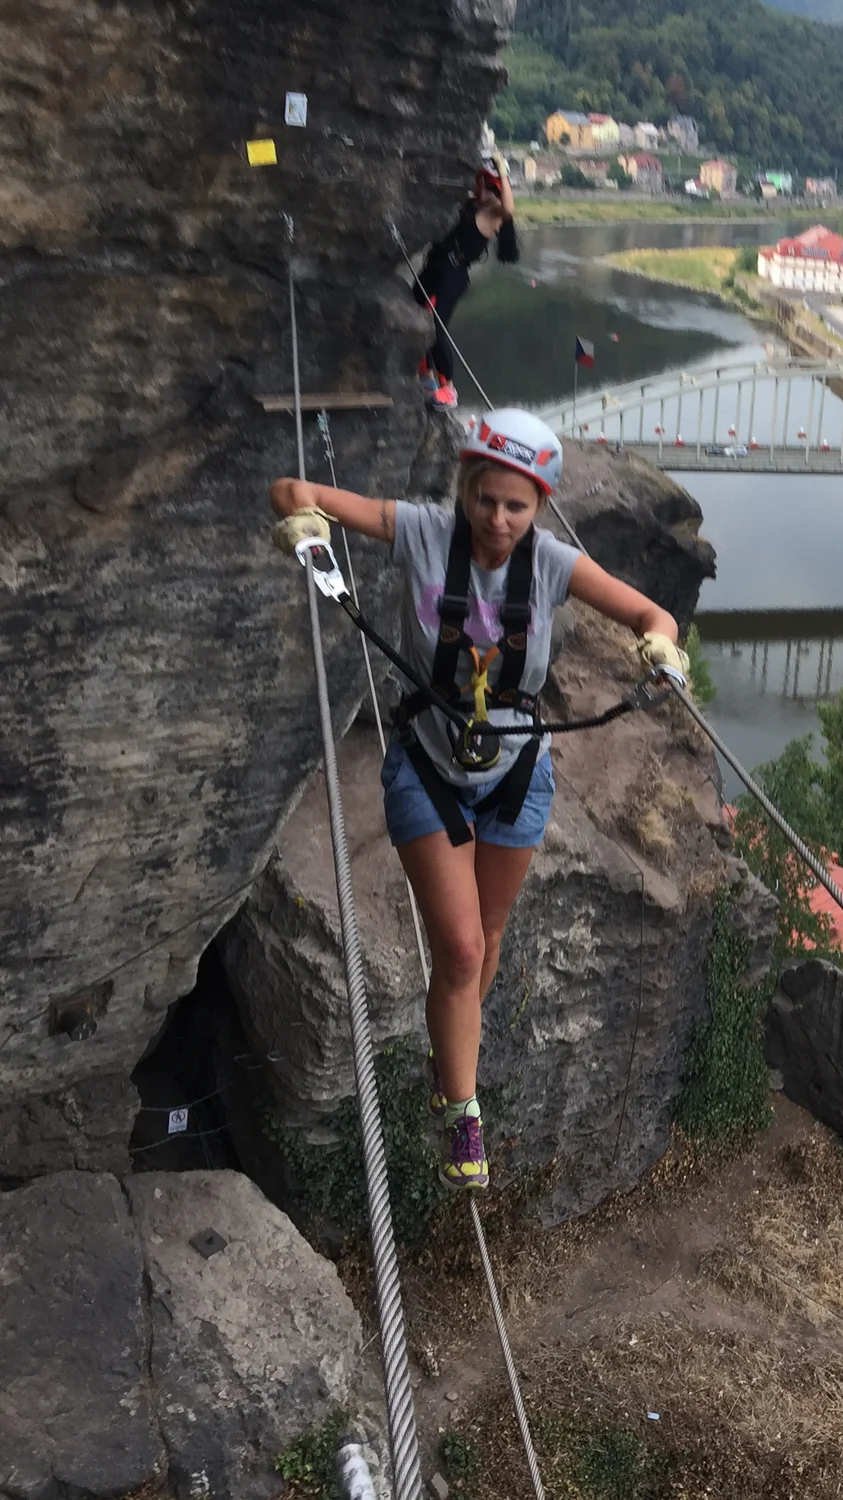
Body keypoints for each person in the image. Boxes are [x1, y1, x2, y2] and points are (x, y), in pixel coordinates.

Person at [269, 409, 690, 1189]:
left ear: (539, 506)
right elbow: (296, 490)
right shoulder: (423, 531)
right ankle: (459, 1108)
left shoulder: (555, 565)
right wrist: (303, 525)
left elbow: (647, 612)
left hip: (518, 769)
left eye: (516, 506)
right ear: (466, 491)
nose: (498, 520)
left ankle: (450, 1037)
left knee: (486, 939)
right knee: (462, 949)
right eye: (486, 500)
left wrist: (662, 644)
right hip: (429, 761)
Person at [413, 160, 518, 409]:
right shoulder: (473, 205)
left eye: (480, 180)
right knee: (416, 314)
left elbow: (509, 208)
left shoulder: (493, 211)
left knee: (436, 329)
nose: (475, 183)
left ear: (486, 182)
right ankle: (425, 377)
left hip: (453, 274)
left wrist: (502, 170)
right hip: (437, 266)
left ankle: (448, 388)